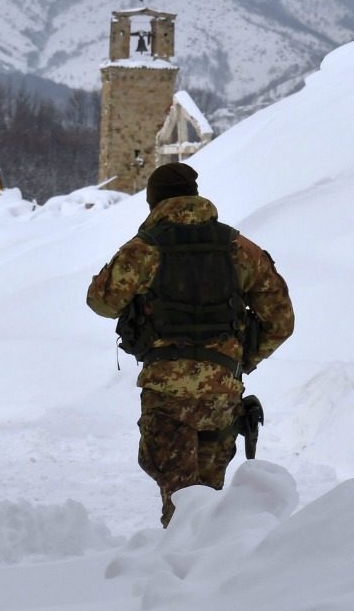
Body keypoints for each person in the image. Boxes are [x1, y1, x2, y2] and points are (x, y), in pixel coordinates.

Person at [87, 162, 294, 527]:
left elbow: (102, 301)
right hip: (222, 393)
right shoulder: (237, 246)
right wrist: (241, 361)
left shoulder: (145, 249)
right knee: (209, 503)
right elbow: (281, 321)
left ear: (153, 201)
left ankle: (178, 573)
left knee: (182, 504)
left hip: (167, 395)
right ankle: (215, 568)